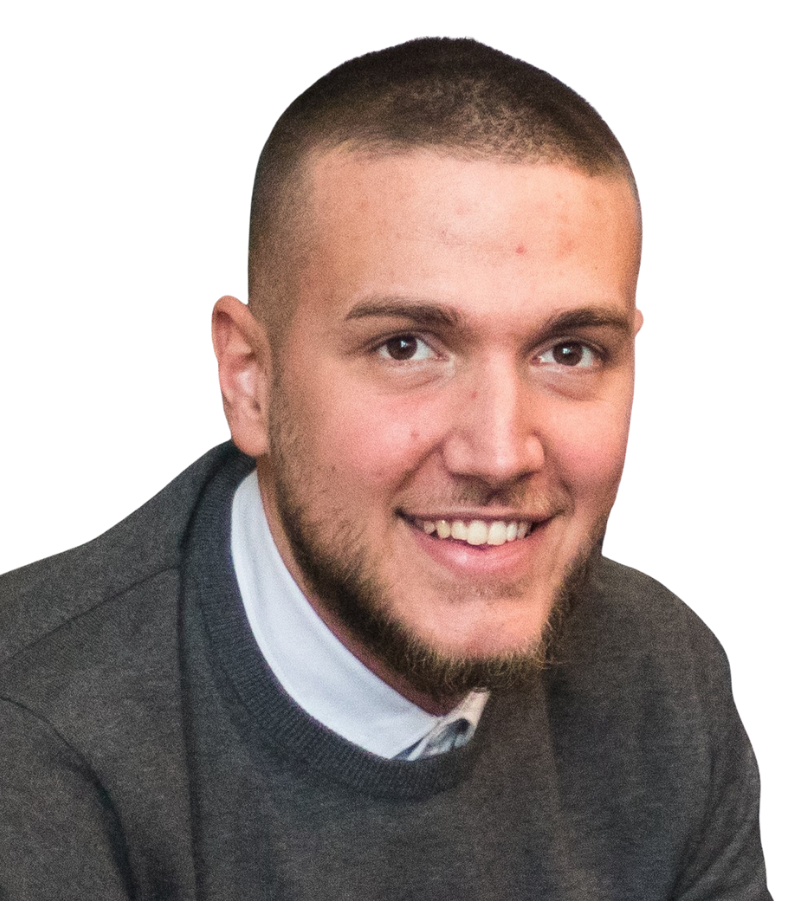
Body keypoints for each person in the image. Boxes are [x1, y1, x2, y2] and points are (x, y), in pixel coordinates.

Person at [0, 37, 771, 899]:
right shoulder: (33, 739)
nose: (499, 452)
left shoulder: (664, 682)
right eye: (406, 347)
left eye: (569, 350)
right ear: (250, 380)